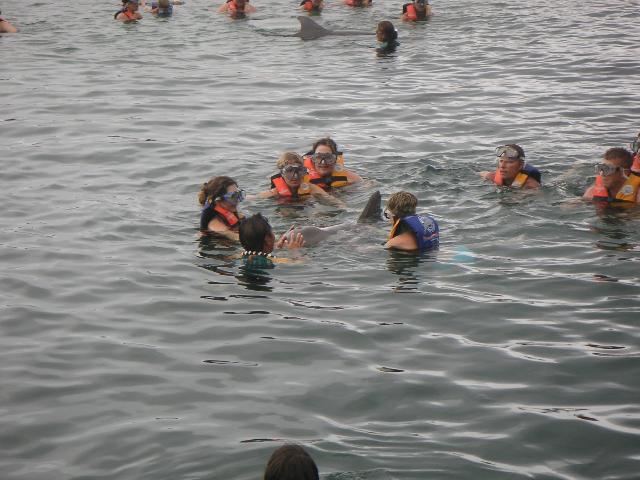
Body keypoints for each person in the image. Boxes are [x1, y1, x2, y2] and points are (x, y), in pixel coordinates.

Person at [256, 152, 346, 207]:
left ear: (304, 172)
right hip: (285, 209)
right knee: (286, 212)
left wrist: (344, 208)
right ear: (282, 173)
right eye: (289, 171)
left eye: (299, 171)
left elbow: (332, 200)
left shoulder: (311, 188)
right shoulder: (276, 192)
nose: (295, 176)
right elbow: (254, 198)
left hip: (306, 210)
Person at [239, 214, 305, 268]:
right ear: (267, 239)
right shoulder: (274, 260)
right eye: (271, 232)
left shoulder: (239, 256)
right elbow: (301, 263)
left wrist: (276, 247)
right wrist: (295, 250)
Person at [198, 176, 246, 241]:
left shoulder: (231, 210)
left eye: (239, 195)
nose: (237, 200)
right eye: (232, 197)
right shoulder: (217, 227)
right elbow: (241, 239)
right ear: (218, 201)